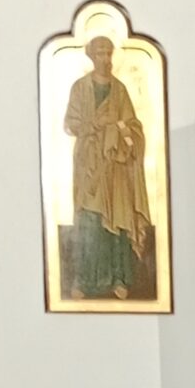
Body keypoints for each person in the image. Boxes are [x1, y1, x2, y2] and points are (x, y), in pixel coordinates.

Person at [64, 36, 151, 301]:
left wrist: (122, 130)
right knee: (90, 221)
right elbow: (70, 124)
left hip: (116, 167)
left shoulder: (120, 90)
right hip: (89, 166)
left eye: (108, 54)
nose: (105, 59)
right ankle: (84, 280)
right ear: (91, 56)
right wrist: (94, 125)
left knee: (119, 220)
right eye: (100, 54)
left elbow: (133, 127)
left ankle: (119, 278)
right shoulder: (80, 88)